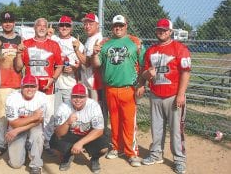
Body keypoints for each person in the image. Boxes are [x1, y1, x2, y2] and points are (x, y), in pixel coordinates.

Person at [91, 15, 146, 167]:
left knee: (128, 121)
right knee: (114, 120)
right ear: (112, 26)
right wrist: (95, 53)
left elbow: (144, 64)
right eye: (116, 25)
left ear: (126, 25)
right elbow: (96, 64)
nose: (118, 27)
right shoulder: (105, 43)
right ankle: (116, 147)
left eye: (121, 25)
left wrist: (142, 84)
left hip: (128, 88)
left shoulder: (135, 42)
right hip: (110, 88)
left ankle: (131, 152)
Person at [140, 18, 191, 174]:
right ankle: (156, 154)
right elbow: (143, 73)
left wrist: (181, 94)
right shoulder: (150, 50)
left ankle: (179, 159)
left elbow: (186, 72)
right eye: (159, 30)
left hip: (173, 95)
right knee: (156, 128)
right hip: (155, 94)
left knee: (176, 130)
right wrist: (148, 74)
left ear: (170, 32)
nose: (161, 32)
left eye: (165, 30)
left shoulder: (179, 48)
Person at [14, 17, 63, 150]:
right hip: (30, 90)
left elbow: (59, 66)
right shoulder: (26, 44)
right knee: (30, 115)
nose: (41, 28)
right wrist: (18, 54)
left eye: (44, 26)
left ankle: (46, 143)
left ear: (47, 29)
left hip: (48, 89)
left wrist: (52, 79)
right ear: (34, 28)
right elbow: (18, 68)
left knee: (48, 116)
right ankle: (30, 141)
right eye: (39, 26)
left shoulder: (54, 45)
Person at [0, 11, 23, 157]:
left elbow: (20, 66)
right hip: (1, 84)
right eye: (5, 21)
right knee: (2, 116)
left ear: (14, 23)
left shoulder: (20, 39)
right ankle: (1, 144)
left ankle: (15, 141)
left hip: (18, 84)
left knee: (17, 116)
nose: (8, 24)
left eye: (10, 21)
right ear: (1, 23)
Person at [50, 83, 108, 174]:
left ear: (87, 97)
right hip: (71, 135)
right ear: (70, 96)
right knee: (54, 144)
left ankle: (95, 159)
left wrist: (80, 143)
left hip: (88, 135)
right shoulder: (64, 107)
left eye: (81, 97)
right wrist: (67, 122)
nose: (78, 99)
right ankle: (67, 156)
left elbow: (99, 130)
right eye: (75, 96)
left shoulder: (93, 106)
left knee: (104, 148)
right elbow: (59, 133)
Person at [5, 74, 47, 174]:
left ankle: (35, 165)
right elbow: (14, 123)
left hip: (31, 127)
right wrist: (33, 117)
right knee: (16, 164)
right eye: (26, 86)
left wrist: (18, 130)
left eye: (32, 86)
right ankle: (25, 145)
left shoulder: (42, 98)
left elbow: (39, 120)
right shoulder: (12, 98)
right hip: (17, 126)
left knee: (38, 134)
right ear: (21, 87)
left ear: (37, 87)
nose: (29, 89)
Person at [72, 13, 108, 129]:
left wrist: (76, 51)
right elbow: (84, 61)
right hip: (88, 81)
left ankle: (100, 138)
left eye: (90, 24)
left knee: (97, 112)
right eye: (85, 24)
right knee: (90, 111)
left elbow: (88, 63)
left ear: (97, 25)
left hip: (96, 83)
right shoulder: (89, 39)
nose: (87, 26)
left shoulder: (99, 40)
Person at [53, 15, 84, 110]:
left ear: (71, 28)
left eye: (67, 25)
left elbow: (81, 64)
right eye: (62, 25)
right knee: (55, 111)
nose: (64, 27)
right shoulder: (52, 39)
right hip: (55, 83)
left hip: (70, 83)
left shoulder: (77, 43)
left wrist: (74, 68)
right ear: (58, 27)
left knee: (70, 111)